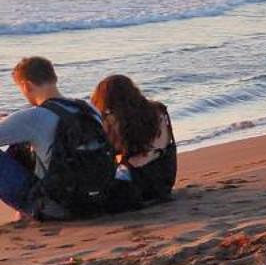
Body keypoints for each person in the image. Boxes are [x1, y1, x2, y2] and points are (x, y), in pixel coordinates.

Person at [0, 57, 119, 220]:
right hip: (97, 199)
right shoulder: (87, 108)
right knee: (21, 147)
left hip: (57, 206)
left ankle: (29, 210)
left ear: (26, 86)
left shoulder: (33, 117)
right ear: (54, 78)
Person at [91, 74, 177, 206]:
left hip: (135, 183)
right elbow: (162, 145)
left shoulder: (112, 121)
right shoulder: (158, 111)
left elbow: (110, 152)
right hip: (164, 177)